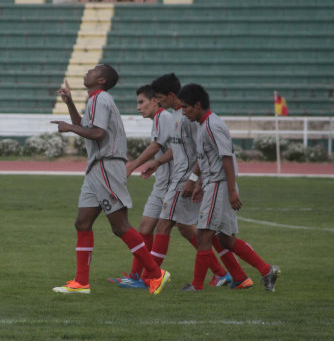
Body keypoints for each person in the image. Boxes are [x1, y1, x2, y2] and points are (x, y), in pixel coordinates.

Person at [50, 64, 170, 295]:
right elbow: (86, 127)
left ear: (102, 80)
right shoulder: (96, 99)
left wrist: (69, 128)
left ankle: (156, 273)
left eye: (94, 69)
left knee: (119, 225)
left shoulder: (100, 99)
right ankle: (81, 283)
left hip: (107, 165)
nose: (88, 71)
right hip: (96, 167)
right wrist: (70, 104)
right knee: (82, 222)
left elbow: (98, 133)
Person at [177, 83, 281, 292]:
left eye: (186, 107)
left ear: (198, 105)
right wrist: (198, 182)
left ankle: (197, 286)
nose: (184, 112)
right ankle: (266, 269)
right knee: (225, 239)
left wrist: (231, 190)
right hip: (213, 184)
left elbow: (226, 158)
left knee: (204, 235)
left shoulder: (213, 126)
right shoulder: (203, 125)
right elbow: (207, 158)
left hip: (220, 185)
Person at [140, 73, 233, 287]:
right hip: (181, 176)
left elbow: (199, 150)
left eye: (160, 98)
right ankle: (223, 272)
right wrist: (159, 162)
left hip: (185, 178)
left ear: (171, 95)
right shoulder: (176, 116)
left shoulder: (189, 118)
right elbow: (179, 148)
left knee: (163, 225)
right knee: (188, 228)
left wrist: (193, 179)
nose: (158, 102)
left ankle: (151, 277)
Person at [106, 84, 173, 288]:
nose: (138, 107)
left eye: (141, 102)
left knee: (193, 232)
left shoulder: (164, 118)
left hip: (173, 184)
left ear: (155, 101)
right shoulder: (159, 119)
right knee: (145, 227)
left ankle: (222, 272)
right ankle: (136, 276)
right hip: (162, 182)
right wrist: (154, 166)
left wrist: (133, 165)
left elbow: (157, 146)